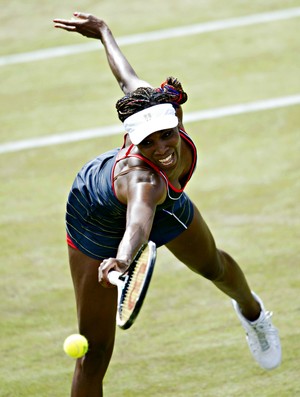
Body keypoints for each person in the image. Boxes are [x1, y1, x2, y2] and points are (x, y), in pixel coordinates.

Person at [53, 12, 281, 397]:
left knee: (214, 266)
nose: (161, 149)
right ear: (133, 142)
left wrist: (104, 32)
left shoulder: (154, 105)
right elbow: (137, 225)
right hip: (93, 216)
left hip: (161, 206)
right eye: (147, 143)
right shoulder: (142, 180)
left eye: (166, 136)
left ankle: (253, 312)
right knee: (94, 353)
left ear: (175, 118)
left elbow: (126, 77)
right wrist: (123, 259)